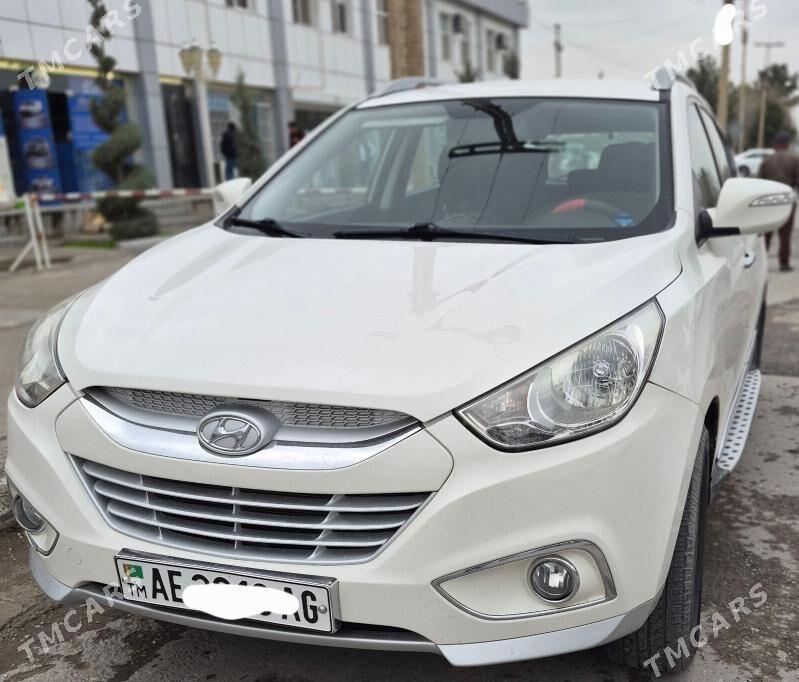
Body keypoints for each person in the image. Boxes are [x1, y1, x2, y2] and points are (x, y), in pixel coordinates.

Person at [758, 131, 799, 272]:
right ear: (787, 144)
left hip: (768, 201)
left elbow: (760, 182)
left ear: (775, 144)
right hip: (787, 200)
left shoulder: (766, 161)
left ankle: (761, 262)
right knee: (785, 234)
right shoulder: (794, 160)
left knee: (766, 233)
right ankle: (784, 263)